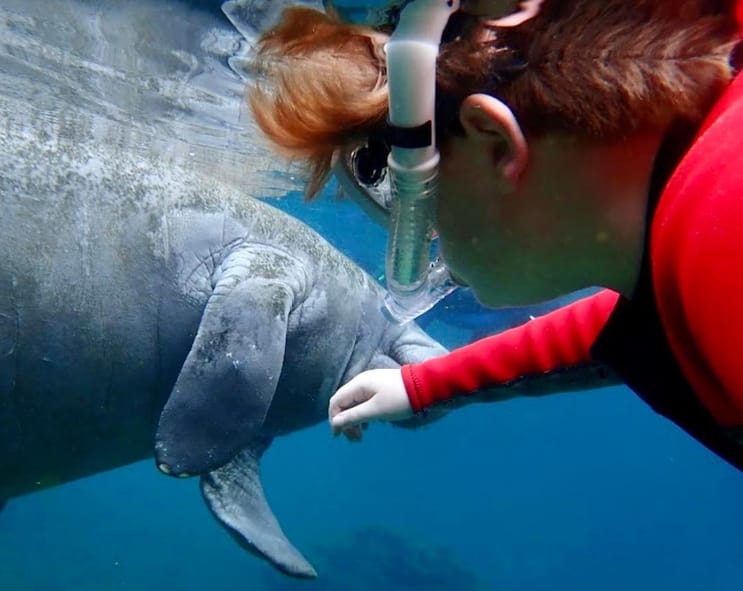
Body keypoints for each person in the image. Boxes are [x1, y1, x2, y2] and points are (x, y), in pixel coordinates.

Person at [247, 0, 743, 470]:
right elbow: (625, 332)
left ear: (494, 143)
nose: (420, 235)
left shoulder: (723, 252)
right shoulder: (693, 237)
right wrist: (424, 384)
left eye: (400, 191)